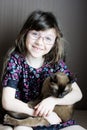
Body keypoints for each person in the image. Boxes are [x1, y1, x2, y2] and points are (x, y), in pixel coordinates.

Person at [0, 10, 86, 130]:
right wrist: (42, 113)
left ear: (54, 42)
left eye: (48, 38)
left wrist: (52, 101)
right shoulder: (16, 61)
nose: (40, 42)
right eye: (35, 34)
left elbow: (78, 94)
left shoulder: (55, 63)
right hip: (23, 116)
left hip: (51, 118)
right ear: (25, 33)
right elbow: (7, 102)